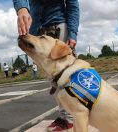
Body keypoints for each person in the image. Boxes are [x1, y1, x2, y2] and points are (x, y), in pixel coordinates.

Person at [13, 0, 79, 131]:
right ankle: (64, 115)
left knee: (65, 75)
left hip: (58, 24)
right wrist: (22, 9)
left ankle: (71, 118)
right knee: (53, 78)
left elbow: (72, 4)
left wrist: (72, 33)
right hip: (37, 26)